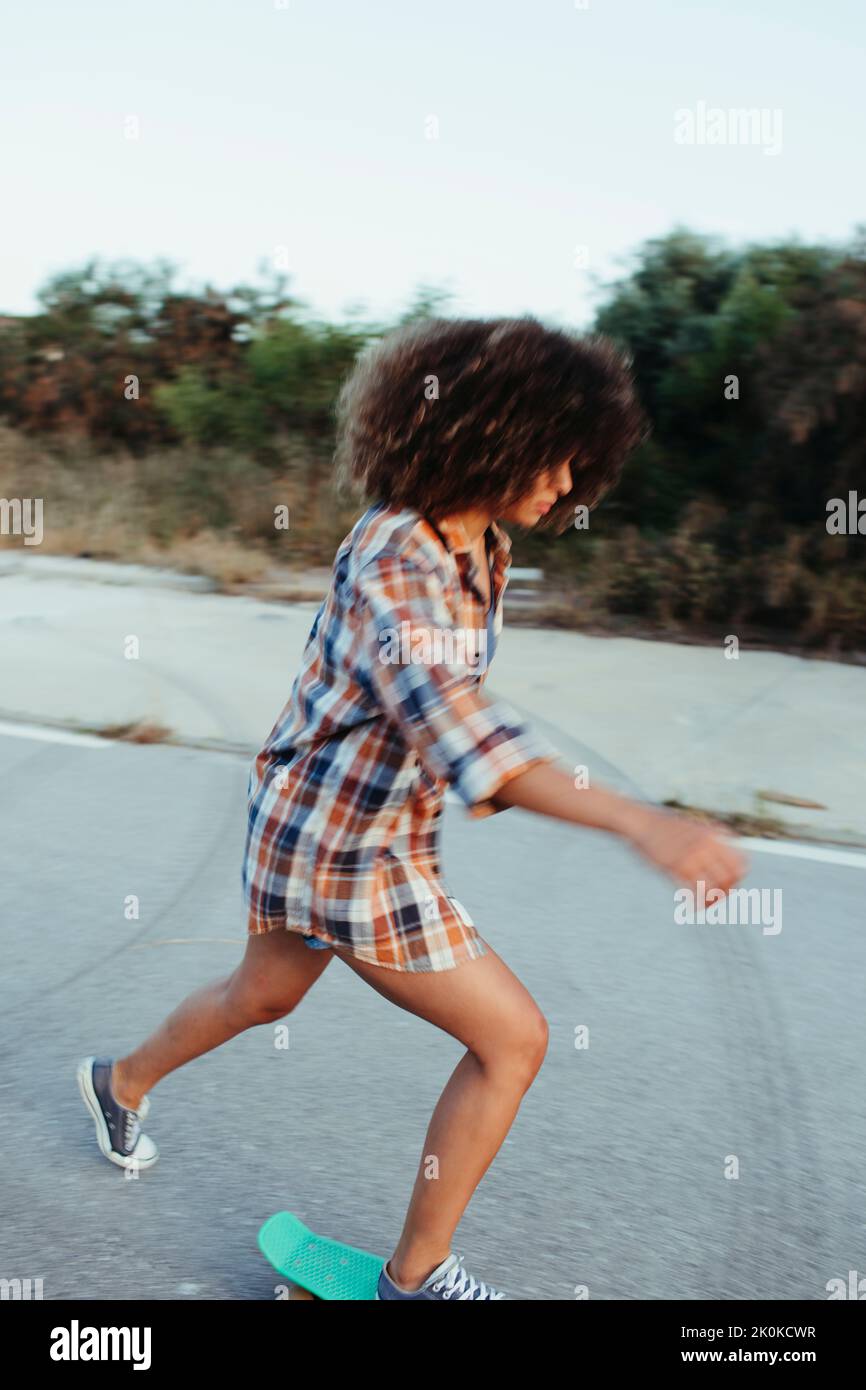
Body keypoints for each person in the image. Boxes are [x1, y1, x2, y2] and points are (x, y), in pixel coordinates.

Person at [77, 316, 747, 1301]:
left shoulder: (475, 545)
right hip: (340, 846)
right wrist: (640, 820)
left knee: (260, 995)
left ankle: (118, 1081)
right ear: (495, 435)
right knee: (511, 1039)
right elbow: (459, 726)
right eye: (558, 458)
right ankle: (414, 1280)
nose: (569, 485)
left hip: (333, 819)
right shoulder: (399, 554)